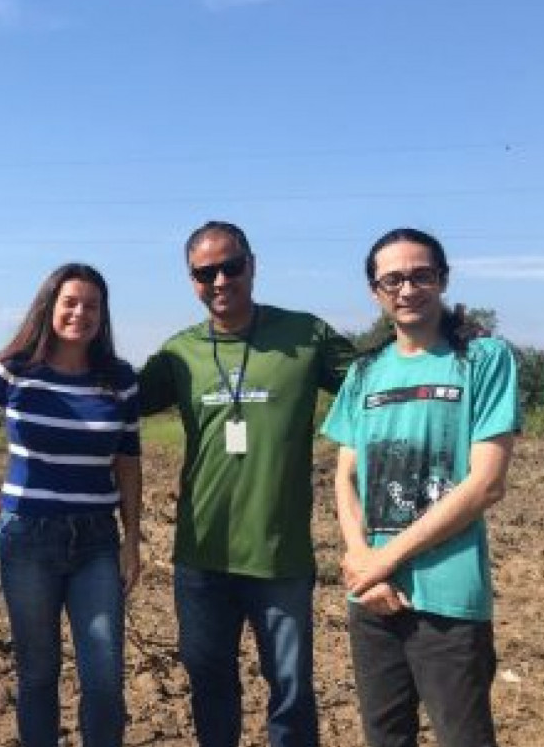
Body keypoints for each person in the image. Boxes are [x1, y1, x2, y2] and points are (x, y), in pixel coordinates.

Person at [139, 221, 355, 747]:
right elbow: (114, 401)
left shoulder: (305, 336)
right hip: (201, 557)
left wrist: (444, 340)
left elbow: (377, 383)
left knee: (291, 689)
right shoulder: (178, 353)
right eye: (204, 273)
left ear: (252, 265)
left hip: (279, 554)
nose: (220, 280)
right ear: (191, 280)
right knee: (209, 685)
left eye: (230, 266)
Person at [321, 228, 521, 747]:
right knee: (385, 736)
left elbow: (486, 484)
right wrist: (361, 559)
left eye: (421, 276)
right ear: (375, 291)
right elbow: (345, 476)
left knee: (463, 736)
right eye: (392, 280)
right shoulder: (365, 372)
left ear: (443, 280)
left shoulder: (484, 359)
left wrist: (381, 562)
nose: (407, 289)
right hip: (373, 599)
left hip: (447, 597)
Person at [0, 263, 142, 747]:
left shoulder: (120, 379)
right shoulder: (14, 368)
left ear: (103, 315)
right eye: (70, 303)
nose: (80, 313)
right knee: (38, 672)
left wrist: (132, 541)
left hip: (96, 541)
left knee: (104, 677)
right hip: (27, 538)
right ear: (49, 307)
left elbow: (127, 464)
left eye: (91, 305)